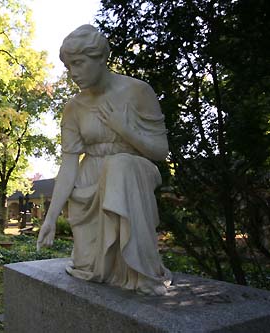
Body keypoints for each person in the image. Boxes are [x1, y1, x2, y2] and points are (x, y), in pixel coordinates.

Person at [36, 25, 172, 296]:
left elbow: (159, 151)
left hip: (134, 169)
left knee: (120, 166)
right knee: (90, 267)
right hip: (91, 180)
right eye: (68, 66)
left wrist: (125, 129)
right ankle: (101, 262)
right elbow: (69, 164)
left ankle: (140, 272)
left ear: (100, 58)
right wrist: (50, 217)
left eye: (79, 63)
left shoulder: (138, 91)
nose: (73, 73)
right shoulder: (73, 107)